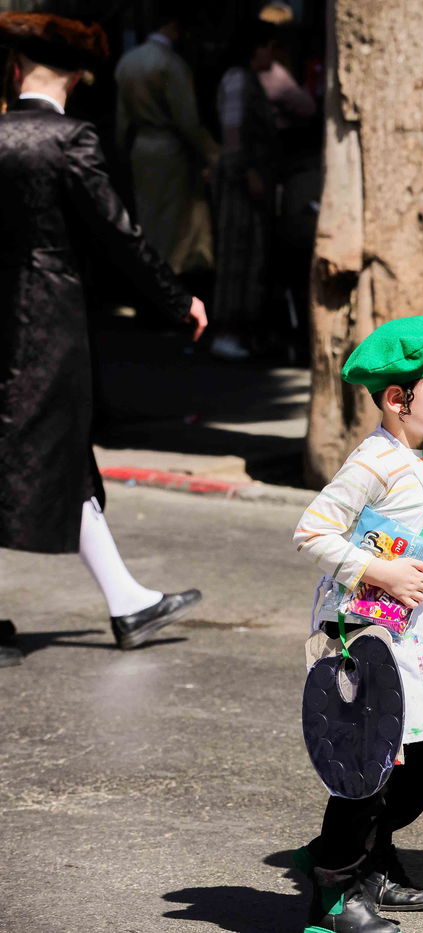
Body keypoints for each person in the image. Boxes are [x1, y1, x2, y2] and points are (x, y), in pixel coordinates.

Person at [0, 12, 208, 666]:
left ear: (15, 70)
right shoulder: (70, 140)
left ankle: (127, 600)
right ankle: (127, 602)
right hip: (46, 319)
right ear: (81, 76)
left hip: (6, 314)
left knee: (59, 455)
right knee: (46, 449)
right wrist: (178, 301)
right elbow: (121, 237)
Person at [291, 315, 423, 931]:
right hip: (368, 637)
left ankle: (367, 858)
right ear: (399, 400)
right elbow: (313, 531)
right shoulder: (376, 461)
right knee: (369, 764)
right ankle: (336, 897)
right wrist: (381, 573)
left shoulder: (421, 454)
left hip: (415, 635)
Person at [113, 1, 219, 276]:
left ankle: (152, 274)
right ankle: (168, 279)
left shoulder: (128, 61)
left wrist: (122, 150)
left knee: (148, 217)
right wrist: (213, 154)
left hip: (141, 147)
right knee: (172, 223)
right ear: (175, 27)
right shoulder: (170, 64)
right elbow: (188, 120)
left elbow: (122, 118)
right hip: (169, 149)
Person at [209, 20, 280, 361]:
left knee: (250, 252)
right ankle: (227, 330)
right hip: (241, 178)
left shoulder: (248, 80)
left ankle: (240, 330)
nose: (273, 55)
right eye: (269, 47)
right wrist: (247, 170)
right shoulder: (239, 79)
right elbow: (234, 130)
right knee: (237, 251)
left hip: (249, 175)